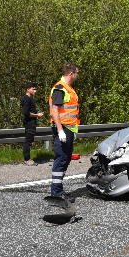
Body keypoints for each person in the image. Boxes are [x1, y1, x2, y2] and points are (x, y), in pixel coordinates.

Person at [48, 63, 80, 203]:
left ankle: (58, 189)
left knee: (65, 159)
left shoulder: (68, 89)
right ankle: (56, 192)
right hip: (63, 129)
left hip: (69, 129)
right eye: (77, 73)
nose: (78, 76)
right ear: (71, 73)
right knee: (61, 159)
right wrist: (60, 130)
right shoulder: (60, 88)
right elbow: (54, 110)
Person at [21, 82, 44, 165]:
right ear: (28, 89)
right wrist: (37, 115)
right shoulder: (26, 99)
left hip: (32, 122)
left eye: (35, 89)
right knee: (28, 141)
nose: (35, 91)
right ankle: (27, 159)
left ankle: (27, 159)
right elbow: (26, 113)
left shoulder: (30, 98)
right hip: (29, 123)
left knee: (30, 140)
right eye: (33, 89)